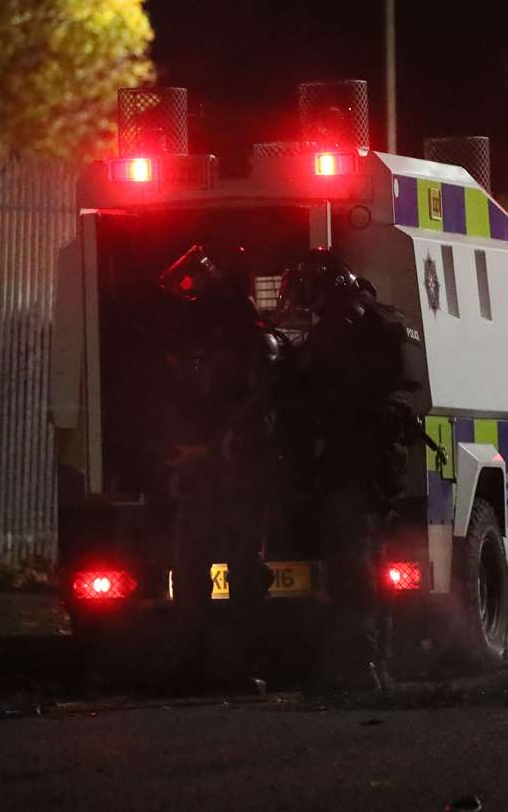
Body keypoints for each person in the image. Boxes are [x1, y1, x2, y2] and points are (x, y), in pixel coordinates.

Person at [279, 248, 426, 689]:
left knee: (353, 559)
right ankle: (378, 660)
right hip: (382, 450)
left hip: (357, 450)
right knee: (373, 555)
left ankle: (362, 663)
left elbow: (313, 377)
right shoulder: (378, 317)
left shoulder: (343, 323)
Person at [157, 243, 282, 693]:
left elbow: (253, 419)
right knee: (193, 573)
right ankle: (195, 666)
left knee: (238, 574)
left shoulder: (252, 340)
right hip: (204, 480)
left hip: (235, 480)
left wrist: (207, 452)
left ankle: (232, 668)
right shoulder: (207, 339)